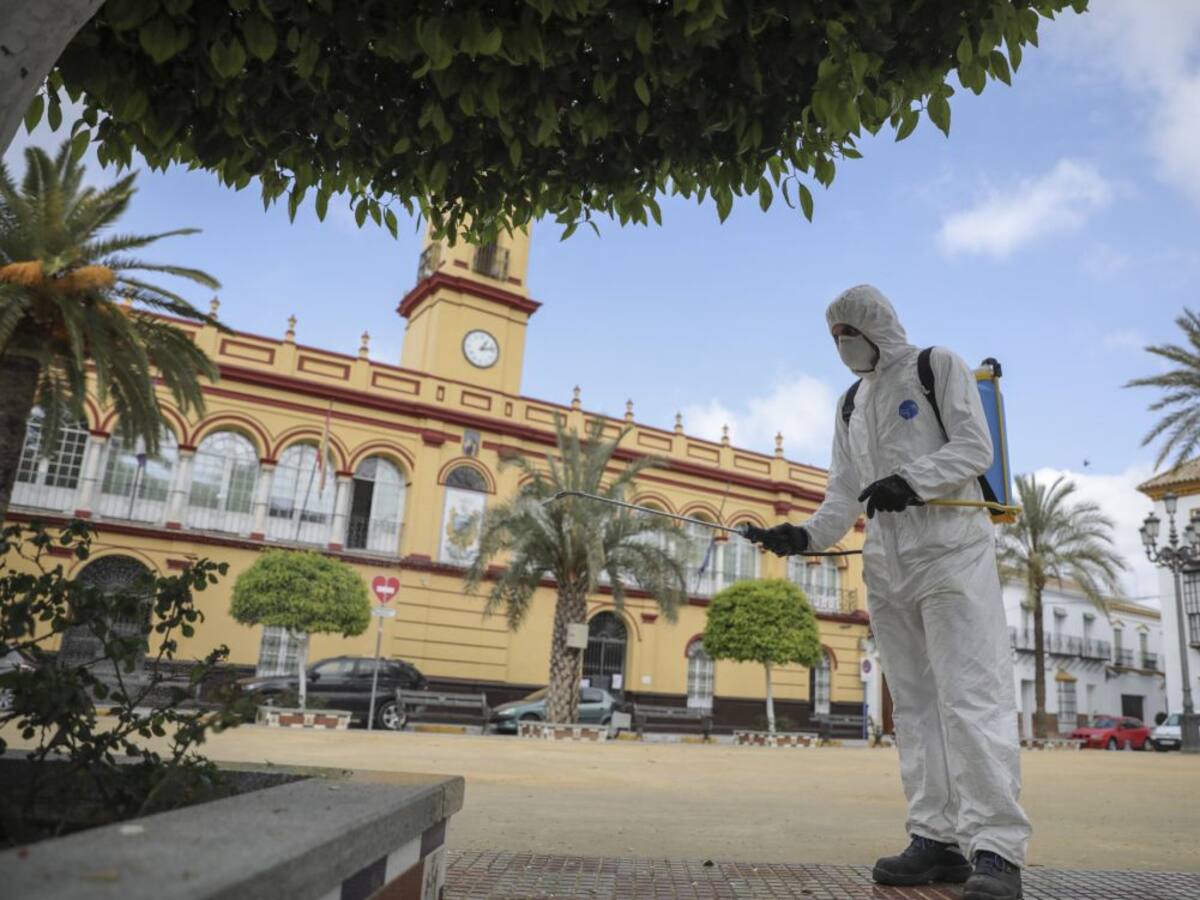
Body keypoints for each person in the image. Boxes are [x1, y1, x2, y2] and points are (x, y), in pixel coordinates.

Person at [743, 285, 1029, 900]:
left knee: (969, 697)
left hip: (951, 553)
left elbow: (976, 447)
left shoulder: (938, 366)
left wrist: (913, 481)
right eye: (834, 338)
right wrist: (803, 536)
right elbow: (843, 493)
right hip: (887, 564)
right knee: (915, 706)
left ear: (875, 326)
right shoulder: (850, 402)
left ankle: (997, 850)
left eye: (848, 333)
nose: (841, 347)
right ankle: (936, 838)